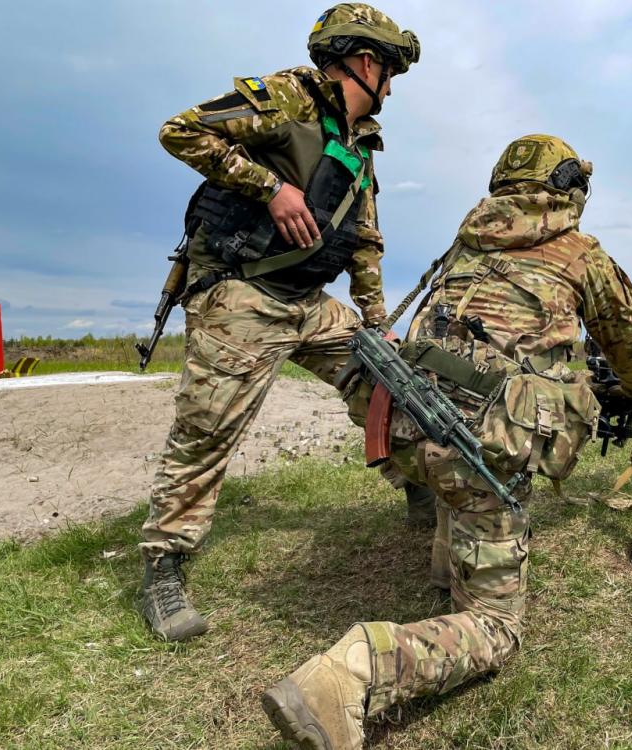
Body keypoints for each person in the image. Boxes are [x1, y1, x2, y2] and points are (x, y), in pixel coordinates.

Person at [261, 134, 632, 749]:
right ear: (569, 191)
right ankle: (353, 673)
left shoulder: (466, 243)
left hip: (405, 426)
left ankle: (447, 561)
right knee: (497, 628)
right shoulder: (583, 256)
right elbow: (631, 346)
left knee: (464, 452)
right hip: (475, 452)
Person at [139, 3, 422, 642]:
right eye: (392, 73)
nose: (392, 88)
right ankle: (163, 565)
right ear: (368, 62)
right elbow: (179, 131)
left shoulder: (359, 143)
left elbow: (365, 239)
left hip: (309, 302)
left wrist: (377, 322)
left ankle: (419, 487)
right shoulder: (288, 100)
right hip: (243, 296)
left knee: (388, 382)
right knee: (206, 431)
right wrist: (270, 187)